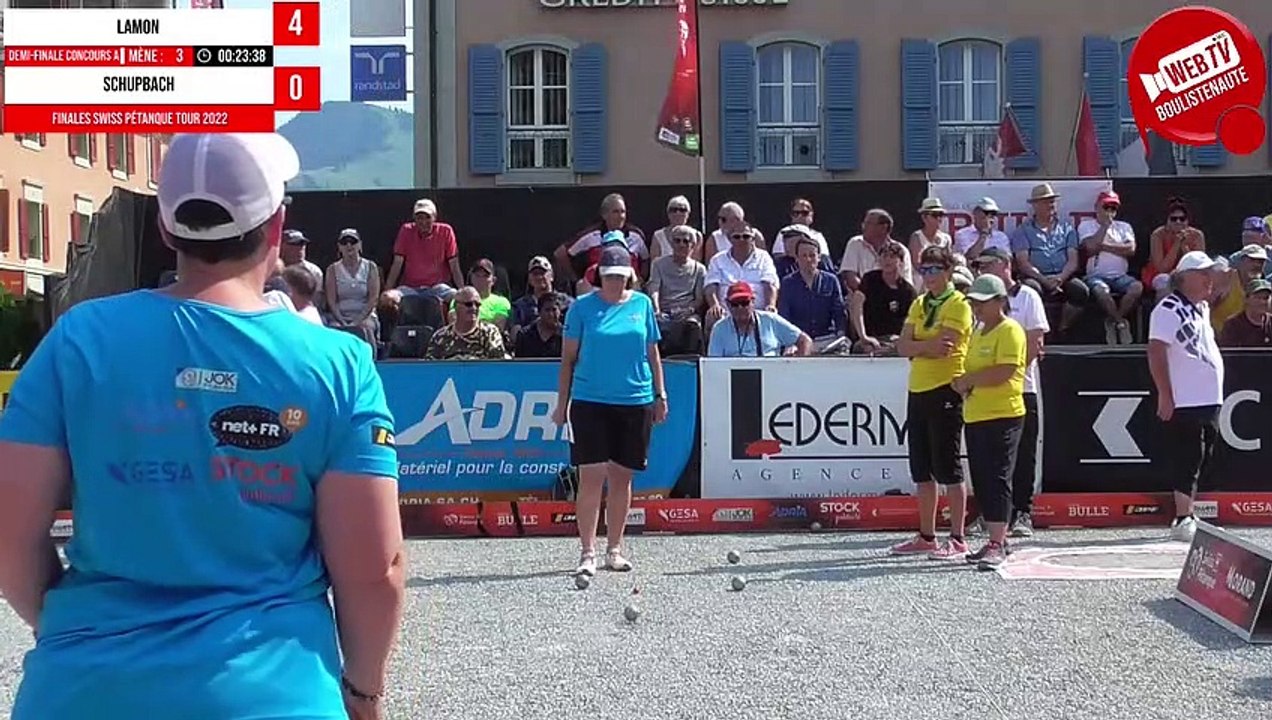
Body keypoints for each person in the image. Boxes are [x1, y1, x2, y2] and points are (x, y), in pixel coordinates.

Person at [0, 132, 405, 719]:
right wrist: (364, 692)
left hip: (82, 691)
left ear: (166, 231)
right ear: (275, 228)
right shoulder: (337, 364)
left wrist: (77, 630)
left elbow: (10, 532)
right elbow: (375, 568)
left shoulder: (78, 339)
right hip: (272, 694)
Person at [552, 245, 667, 577]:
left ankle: (614, 549)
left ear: (630, 275)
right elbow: (568, 360)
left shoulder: (642, 305)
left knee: (622, 477)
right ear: (599, 276)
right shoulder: (582, 309)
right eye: (609, 276)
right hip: (590, 400)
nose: (615, 282)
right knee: (591, 476)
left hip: (635, 399)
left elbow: (653, 353)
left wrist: (661, 394)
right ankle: (587, 551)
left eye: (621, 276)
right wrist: (562, 405)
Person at [891, 245, 973, 559]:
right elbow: (902, 347)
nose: (930, 277)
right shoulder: (920, 303)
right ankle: (927, 535)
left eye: (935, 270)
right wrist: (924, 344)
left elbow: (945, 348)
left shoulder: (958, 304)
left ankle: (957, 537)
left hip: (946, 387)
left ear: (948, 271)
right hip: (919, 388)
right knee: (922, 469)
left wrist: (917, 345)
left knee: (949, 466)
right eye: (925, 271)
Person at [1147, 251, 1225, 543]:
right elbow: (1156, 351)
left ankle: (1189, 510)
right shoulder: (1168, 308)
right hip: (1186, 397)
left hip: (1208, 396)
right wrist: (1165, 394)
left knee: (1204, 453)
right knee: (1188, 455)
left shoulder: (1200, 308)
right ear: (1186, 278)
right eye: (1203, 274)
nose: (1209, 279)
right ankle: (1182, 516)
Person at [971, 247, 1048, 538]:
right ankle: (990, 514)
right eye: (978, 267)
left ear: (1005, 265)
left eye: (987, 265)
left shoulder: (1027, 296)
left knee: (1023, 453)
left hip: (1022, 386)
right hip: (988, 391)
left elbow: (1035, 342)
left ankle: (1023, 512)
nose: (982, 272)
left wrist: (1008, 370)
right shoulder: (980, 304)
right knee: (987, 459)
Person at [953, 274, 1027, 569]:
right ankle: (997, 539)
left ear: (1000, 301)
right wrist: (963, 382)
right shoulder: (978, 331)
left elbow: (1005, 371)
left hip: (1004, 414)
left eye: (983, 302)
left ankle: (997, 541)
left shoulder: (1010, 330)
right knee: (983, 478)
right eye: (974, 302)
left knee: (997, 477)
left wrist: (969, 380)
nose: (977, 307)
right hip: (976, 414)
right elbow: (974, 368)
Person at [708, 281, 812, 358]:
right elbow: (712, 366)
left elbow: (804, 341)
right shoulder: (719, 329)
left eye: (744, 303)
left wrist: (799, 366)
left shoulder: (770, 320)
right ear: (727, 305)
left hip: (771, 377)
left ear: (753, 301)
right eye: (735, 304)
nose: (740, 308)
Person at [777, 235, 844, 346]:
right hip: (799, 339)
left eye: (812, 255)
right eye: (804, 256)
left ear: (819, 258)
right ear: (796, 258)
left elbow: (839, 311)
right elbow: (784, 315)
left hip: (827, 338)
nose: (808, 259)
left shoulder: (831, 280)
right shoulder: (787, 283)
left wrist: (841, 334)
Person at [324, 228, 381, 346]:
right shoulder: (332, 270)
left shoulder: (371, 267)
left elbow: (373, 299)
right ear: (339, 247)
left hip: (365, 316)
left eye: (353, 242)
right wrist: (343, 321)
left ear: (360, 245)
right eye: (344, 243)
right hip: (340, 316)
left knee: (365, 328)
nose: (349, 245)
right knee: (334, 329)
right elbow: (331, 301)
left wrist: (357, 321)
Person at [1143, 197, 1205, 303]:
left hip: (1186, 273)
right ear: (1167, 220)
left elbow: (1197, 266)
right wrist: (1176, 244)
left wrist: (1184, 246)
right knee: (1165, 282)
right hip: (1159, 274)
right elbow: (1162, 268)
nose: (1178, 222)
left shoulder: (1197, 235)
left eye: (1182, 219)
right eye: (1173, 219)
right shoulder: (1158, 235)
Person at [426, 285, 508, 360]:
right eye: (468, 304)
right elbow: (430, 368)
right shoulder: (441, 336)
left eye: (477, 304)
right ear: (456, 307)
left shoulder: (489, 333)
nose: (474, 308)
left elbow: (497, 366)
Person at [1218, 278, 1272, 347]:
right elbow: (1228, 354)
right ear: (1247, 299)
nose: (1262, 302)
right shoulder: (1233, 325)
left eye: (1266, 298)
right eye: (1258, 298)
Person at [514, 292, 565, 359]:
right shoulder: (524, 335)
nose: (551, 314)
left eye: (554, 310)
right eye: (547, 310)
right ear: (539, 312)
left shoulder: (566, 335)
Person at [908, 197, 952, 261]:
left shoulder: (946, 238)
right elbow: (916, 262)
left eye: (941, 215)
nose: (939, 219)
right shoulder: (917, 237)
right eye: (935, 215)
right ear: (924, 217)